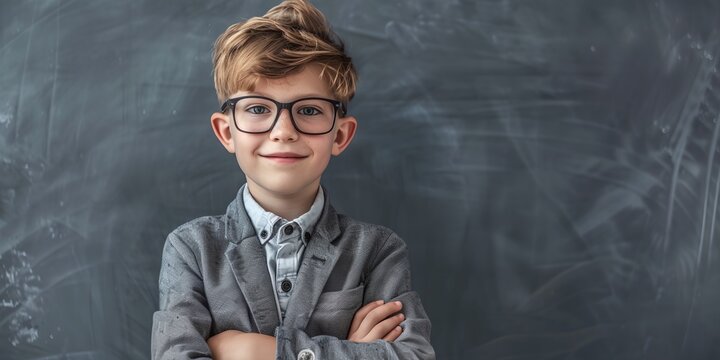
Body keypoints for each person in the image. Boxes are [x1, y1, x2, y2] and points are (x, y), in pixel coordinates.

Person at [150, 1, 434, 359]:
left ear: (340, 136)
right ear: (226, 132)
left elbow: (413, 356)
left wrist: (255, 351)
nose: (283, 131)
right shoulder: (192, 249)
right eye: (257, 108)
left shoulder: (376, 251)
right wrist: (352, 351)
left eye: (310, 110)